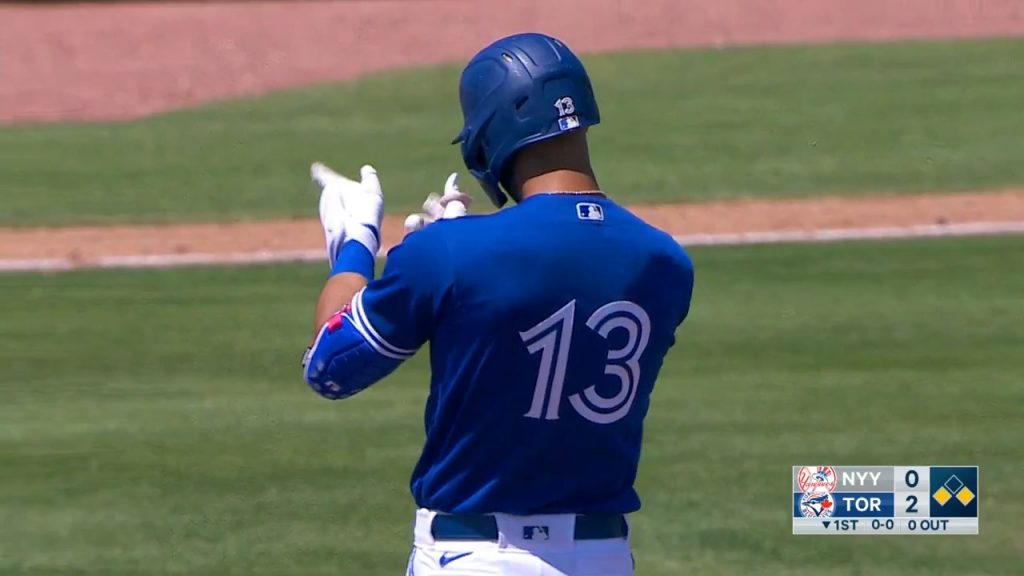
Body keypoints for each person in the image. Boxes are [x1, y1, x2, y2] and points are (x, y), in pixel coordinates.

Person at [302, 32, 695, 576]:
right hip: (602, 557)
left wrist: (356, 245)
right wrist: (455, 255)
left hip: (473, 557)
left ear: (492, 134)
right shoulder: (667, 263)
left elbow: (331, 366)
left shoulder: (449, 254)